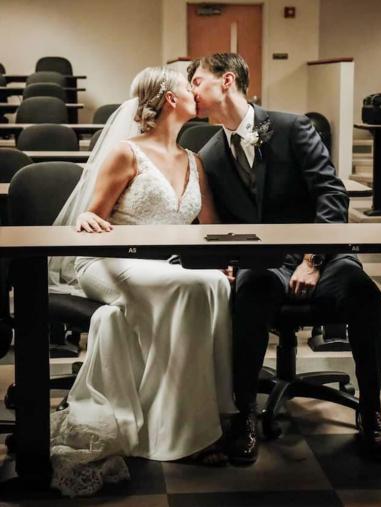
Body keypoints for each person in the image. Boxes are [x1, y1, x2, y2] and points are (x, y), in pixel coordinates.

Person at [188, 53, 381, 465]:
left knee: (365, 296)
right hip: (263, 263)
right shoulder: (209, 154)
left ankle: (371, 412)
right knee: (248, 292)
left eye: (197, 80)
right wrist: (226, 259)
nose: (192, 89)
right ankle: (244, 414)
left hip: (318, 253)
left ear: (227, 80)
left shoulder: (291, 127)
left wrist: (313, 259)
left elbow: (332, 195)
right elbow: (220, 220)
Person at [48, 66, 236, 497]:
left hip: (163, 267)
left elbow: (208, 227)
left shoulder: (194, 160)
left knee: (216, 284)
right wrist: (86, 217)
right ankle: (188, 434)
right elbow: (92, 213)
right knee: (196, 287)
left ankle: (210, 411)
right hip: (106, 262)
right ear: (171, 100)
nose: (196, 93)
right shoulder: (126, 153)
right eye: (188, 89)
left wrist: (223, 261)